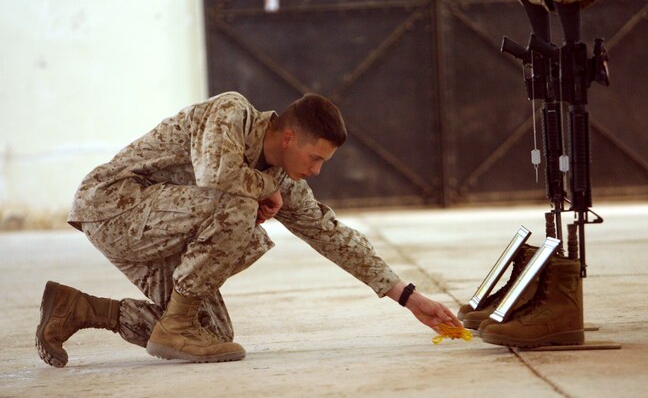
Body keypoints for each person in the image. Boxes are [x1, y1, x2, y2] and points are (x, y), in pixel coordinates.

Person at [36, 91, 460, 367]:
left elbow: (328, 233)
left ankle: (80, 309)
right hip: (112, 207)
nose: (314, 171)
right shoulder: (232, 113)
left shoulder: (281, 177)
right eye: (315, 159)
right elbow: (215, 174)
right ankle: (176, 323)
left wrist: (408, 297)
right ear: (289, 137)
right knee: (236, 205)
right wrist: (262, 190)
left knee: (216, 337)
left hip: (158, 230)